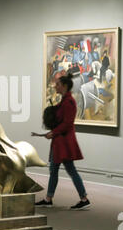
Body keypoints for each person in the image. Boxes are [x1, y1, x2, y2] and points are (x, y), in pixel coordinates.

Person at [32, 73, 91, 210]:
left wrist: (53, 132)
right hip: (60, 142)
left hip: (63, 143)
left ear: (64, 86)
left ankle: (82, 198)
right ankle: (50, 198)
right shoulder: (65, 101)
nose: (55, 86)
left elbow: (67, 123)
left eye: (58, 84)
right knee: (57, 170)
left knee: (66, 170)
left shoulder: (69, 102)